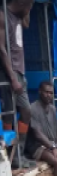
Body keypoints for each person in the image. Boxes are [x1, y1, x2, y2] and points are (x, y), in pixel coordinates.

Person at [0, 0, 34, 162]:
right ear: (21, 3)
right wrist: (12, 78)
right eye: (29, 7)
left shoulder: (20, 16)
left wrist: (26, 9)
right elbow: (1, 48)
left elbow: (26, 24)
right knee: (8, 114)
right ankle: (10, 156)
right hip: (9, 73)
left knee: (26, 111)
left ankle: (18, 152)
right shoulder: (3, 16)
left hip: (21, 71)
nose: (30, 11)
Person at [25, 80, 57, 176]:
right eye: (46, 92)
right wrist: (52, 147)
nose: (49, 95)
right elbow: (37, 134)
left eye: (51, 93)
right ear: (40, 92)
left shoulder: (52, 109)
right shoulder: (33, 108)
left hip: (52, 144)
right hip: (37, 147)